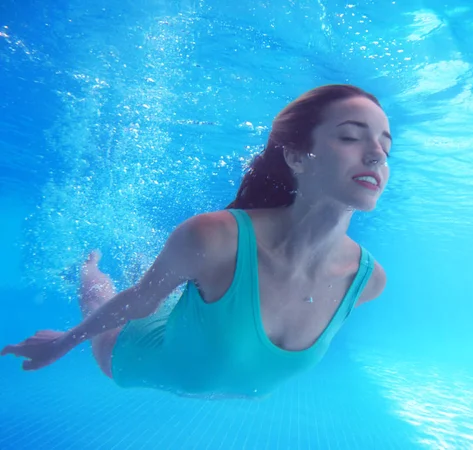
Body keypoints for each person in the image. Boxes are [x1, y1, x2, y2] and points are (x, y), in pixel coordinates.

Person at [2, 84, 392, 399]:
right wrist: (61, 344)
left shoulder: (368, 281)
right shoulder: (213, 235)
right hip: (139, 358)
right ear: (296, 157)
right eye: (350, 137)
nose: (377, 155)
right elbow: (138, 303)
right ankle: (87, 268)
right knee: (130, 295)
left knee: (180, 291)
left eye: (386, 147)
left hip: (199, 320)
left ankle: (167, 273)